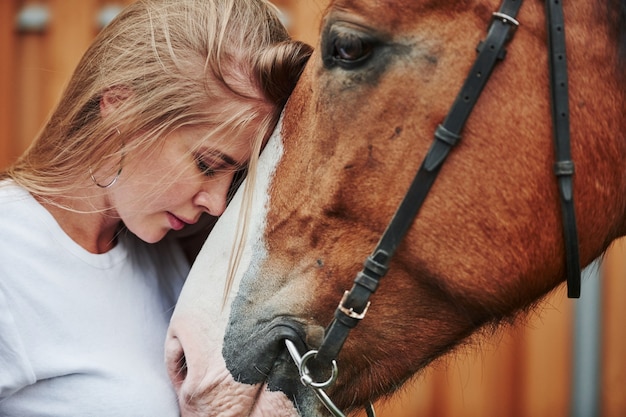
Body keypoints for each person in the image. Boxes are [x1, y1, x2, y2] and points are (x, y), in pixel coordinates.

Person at [0, 0, 311, 415]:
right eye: (207, 164)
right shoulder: (11, 258)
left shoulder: (168, 252)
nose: (217, 203)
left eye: (233, 177)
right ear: (121, 108)